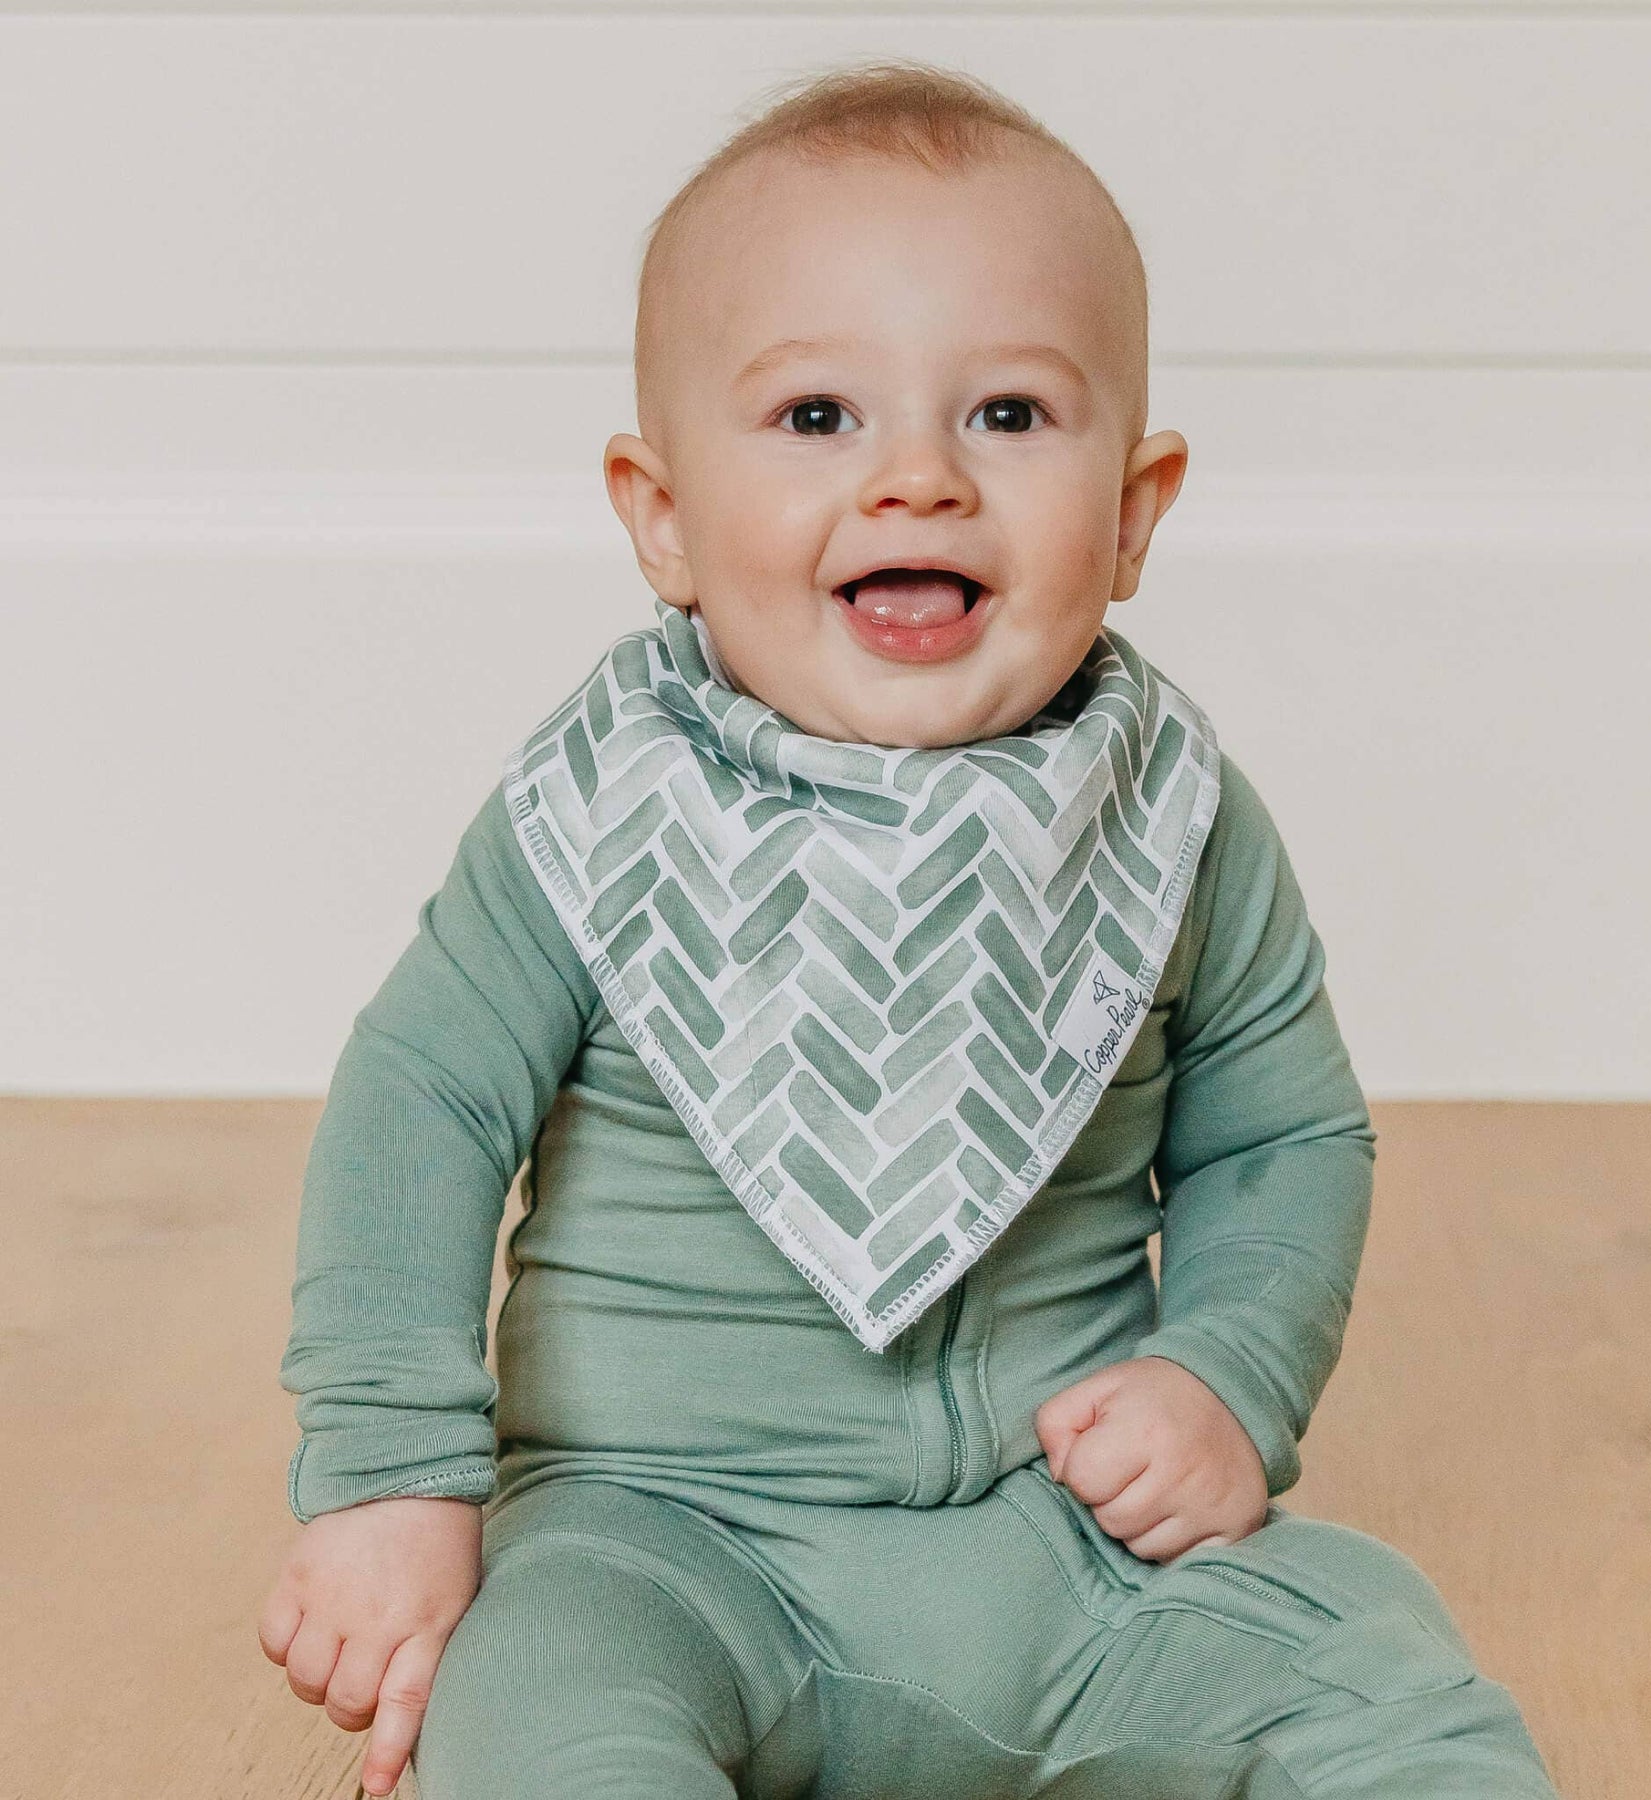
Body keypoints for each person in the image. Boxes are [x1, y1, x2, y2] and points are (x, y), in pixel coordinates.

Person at [257, 59, 1568, 1799]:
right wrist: (394, 1477)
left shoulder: (1166, 815)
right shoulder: (600, 814)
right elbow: (418, 1108)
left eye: (1009, 414)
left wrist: (1224, 1378)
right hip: (665, 1539)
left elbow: (1282, 1136)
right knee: (538, 1685)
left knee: (1369, 1643)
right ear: (662, 516)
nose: (918, 480)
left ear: (1134, 512)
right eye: (818, 416)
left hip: (1077, 1553)